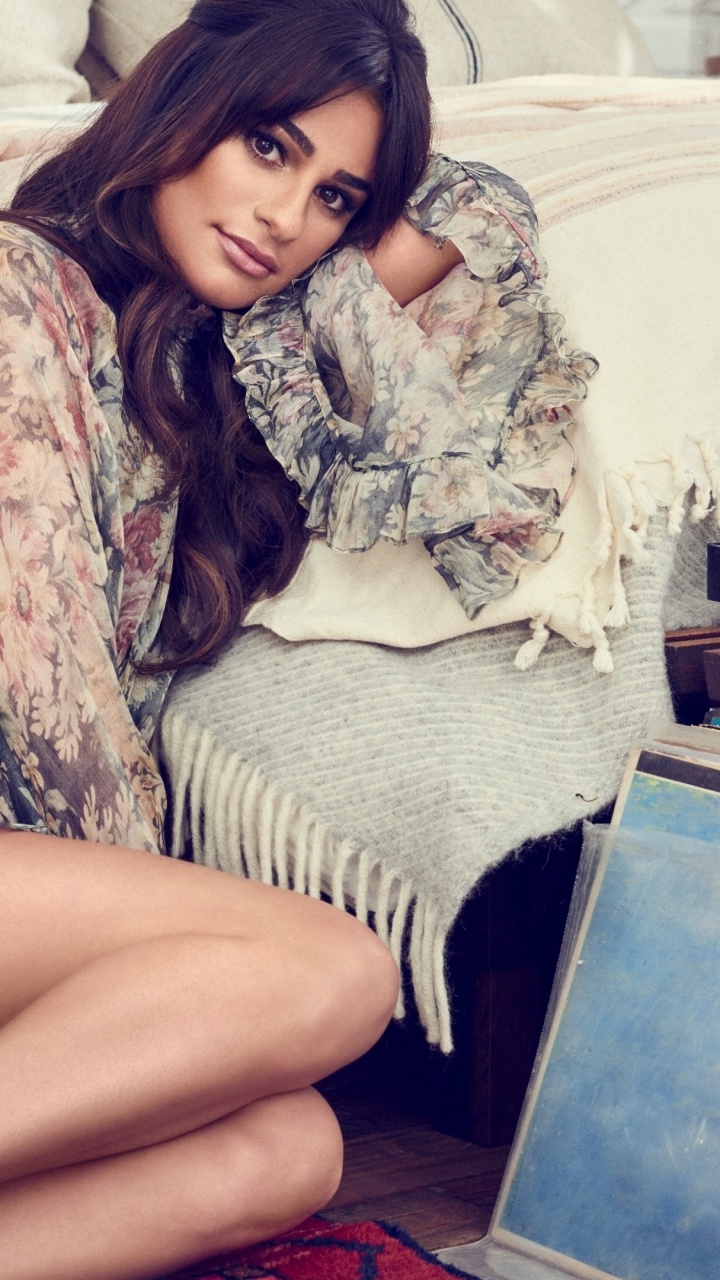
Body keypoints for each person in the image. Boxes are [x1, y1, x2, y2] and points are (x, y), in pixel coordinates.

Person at [0, 1, 466, 1276]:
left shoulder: (199, 370)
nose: (285, 217)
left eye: (335, 198)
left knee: (282, 1148)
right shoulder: (17, 288)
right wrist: (166, 946)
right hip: (27, 854)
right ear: (181, 104)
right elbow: (45, 695)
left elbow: (477, 211)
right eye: (269, 146)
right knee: (334, 971)